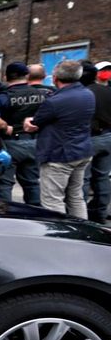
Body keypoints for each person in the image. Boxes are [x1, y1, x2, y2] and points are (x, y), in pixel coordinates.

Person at [24, 59, 95, 218]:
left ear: (55, 78)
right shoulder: (88, 94)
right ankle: (82, 234)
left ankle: (60, 236)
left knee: (52, 200)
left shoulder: (54, 102)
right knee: (76, 197)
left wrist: (28, 122)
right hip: (82, 151)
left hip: (59, 155)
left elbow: (33, 124)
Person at [0, 61, 51, 205]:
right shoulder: (43, 95)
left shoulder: (3, 98)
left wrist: (4, 128)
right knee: (32, 183)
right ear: (27, 76)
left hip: (9, 144)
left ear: (6, 77)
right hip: (34, 143)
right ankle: (35, 215)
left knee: (4, 184)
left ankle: (3, 216)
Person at [85, 62, 111, 222]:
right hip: (108, 137)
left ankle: (79, 213)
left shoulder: (88, 92)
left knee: (83, 177)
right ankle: (99, 212)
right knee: (102, 177)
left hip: (90, 137)